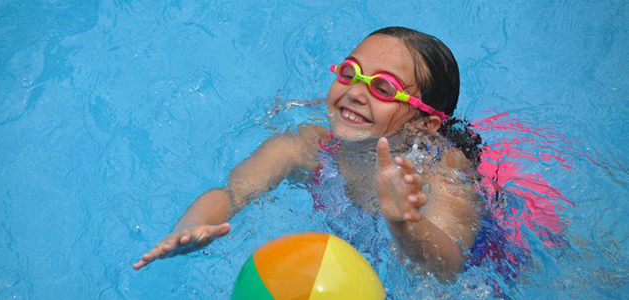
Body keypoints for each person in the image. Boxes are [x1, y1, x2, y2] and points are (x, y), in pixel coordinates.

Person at [133, 26, 483, 280]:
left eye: (382, 87)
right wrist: (192, 227)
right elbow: (231, 194)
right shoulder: (309, 144)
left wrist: (406, 223)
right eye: (350, 73)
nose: (357, 92)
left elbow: (450, 265)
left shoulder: (443, 170)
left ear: (426, 123)